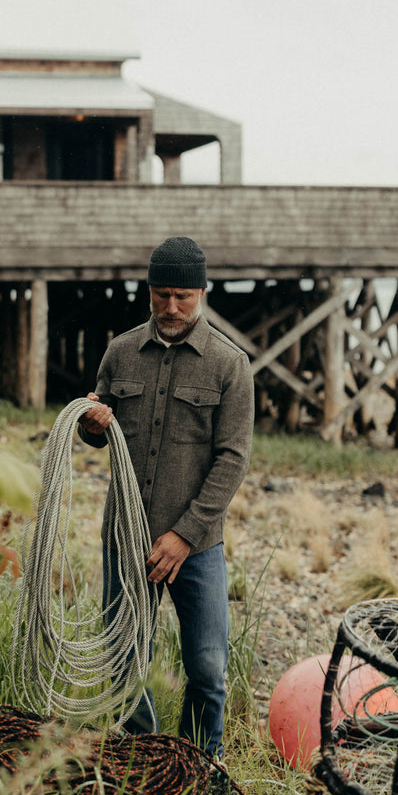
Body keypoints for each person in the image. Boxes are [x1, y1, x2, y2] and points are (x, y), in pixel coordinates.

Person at [78, 236, 254, 756]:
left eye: (182, 296)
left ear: (202, 291)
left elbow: (233, 460)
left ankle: (200, 768)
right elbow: (98, 430)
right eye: (160, 295)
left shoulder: (230, 364)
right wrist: (89, 424)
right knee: (124, 659)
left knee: (206, 666)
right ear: (148, 291)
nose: (170, 307)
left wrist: (183, 536)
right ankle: (145, 760)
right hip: (125, 537)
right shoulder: (120, 351)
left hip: (196, 547)